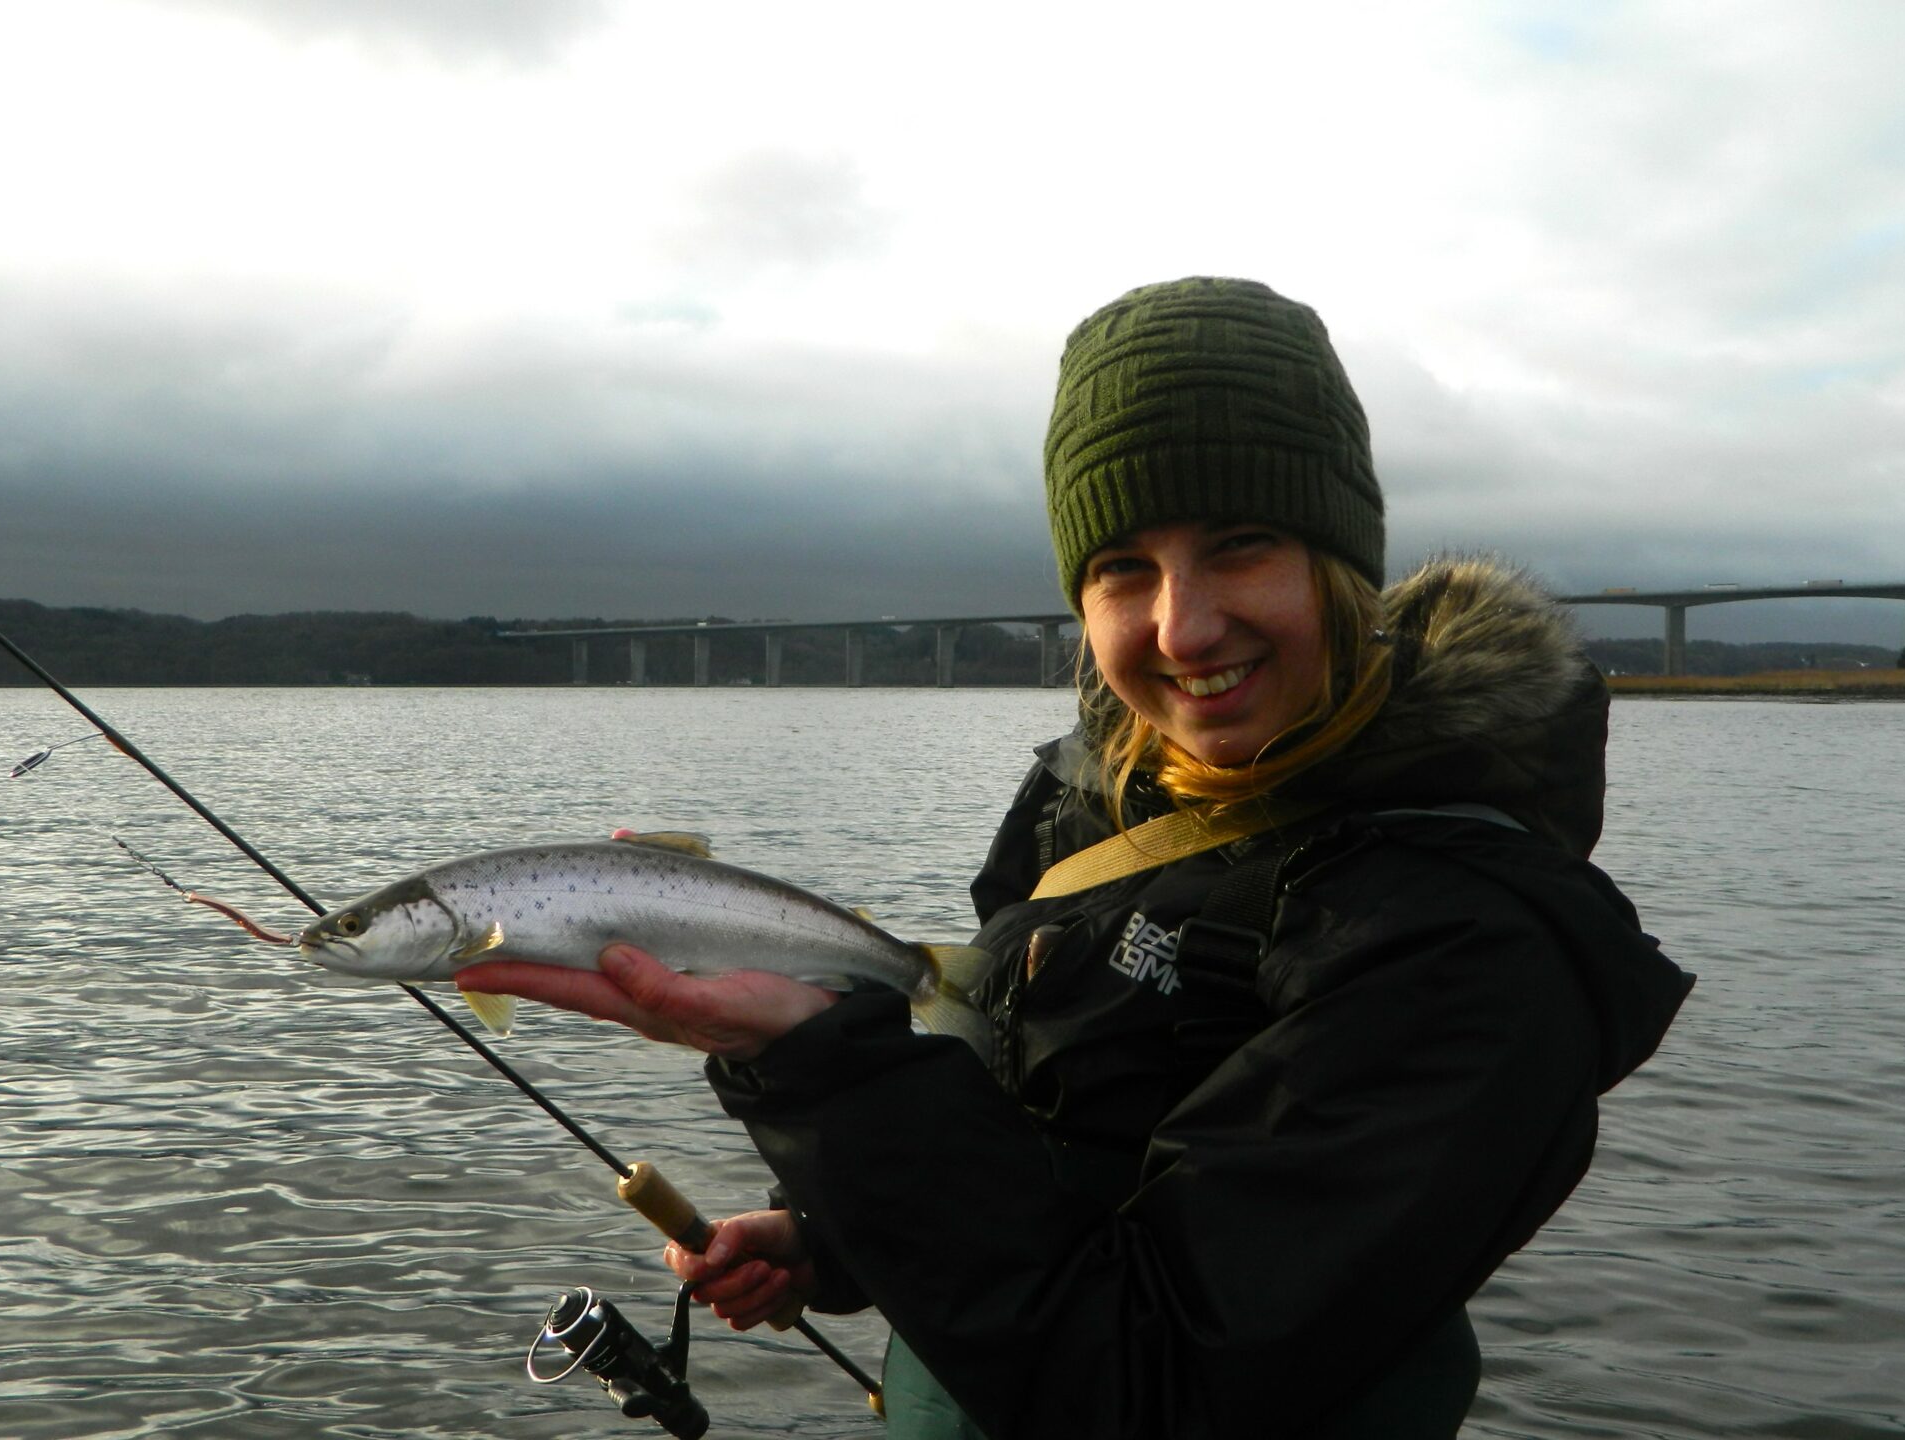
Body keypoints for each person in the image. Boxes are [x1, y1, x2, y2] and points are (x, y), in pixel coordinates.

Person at [458, 276, 1694, 1438]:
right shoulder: (1092, 803)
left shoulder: (1460, 946)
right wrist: (834, 1236)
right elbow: (1054, 1155)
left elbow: (1154, 1379)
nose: (1182, 624)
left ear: (1341, 564)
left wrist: (815, 1067)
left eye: (1243, 545)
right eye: (1122, 570)